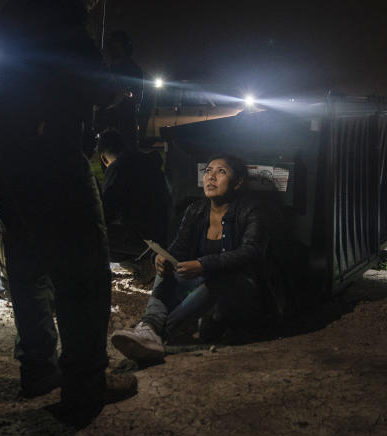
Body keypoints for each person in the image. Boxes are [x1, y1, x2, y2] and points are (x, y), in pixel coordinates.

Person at [0, 0, 136, 424]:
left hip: (8, 147)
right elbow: (98, 87)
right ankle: (86, 384)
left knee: (27, 262)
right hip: (51, 151)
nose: (93, 5)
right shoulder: (62, 15)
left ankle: (37, 368)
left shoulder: (14, 10)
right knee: (84, 270)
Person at [111, 154, 269, 362]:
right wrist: (162, 260)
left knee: (218, 280)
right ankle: (150, 327)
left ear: (238, 182)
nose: (211, 177)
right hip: (205, 280)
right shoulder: (196, 210)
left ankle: (157, 333)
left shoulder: (250, 209)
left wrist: (202, 264)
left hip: (241, 286)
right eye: (208, 171)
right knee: (166, 268)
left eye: (221, 172)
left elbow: (250, 253)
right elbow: (179, 248)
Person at [95, 128, 171, 281]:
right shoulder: (148, 163)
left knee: (93, 237)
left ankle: (143, 265)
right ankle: (144, 260)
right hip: (163, 233)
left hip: (145, 239)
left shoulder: (118, 168)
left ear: (103, 158)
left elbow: (106, 212)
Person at [96, 31, 144, 150]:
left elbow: (137, 97)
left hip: (125, 125)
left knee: (128, 160)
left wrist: (124, 93)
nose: (112, 48)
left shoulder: (133, 69)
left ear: (124, 47)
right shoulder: (108, 68)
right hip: (107, 124)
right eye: (110, 45)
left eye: (116, 45)